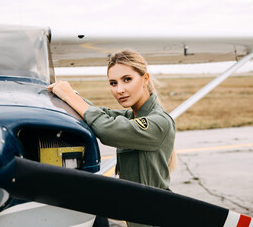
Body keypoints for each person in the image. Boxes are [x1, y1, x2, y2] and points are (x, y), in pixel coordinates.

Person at [48, 49, 176, 227]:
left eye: (127, 79)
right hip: (137, 216)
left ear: (145, 78)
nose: (119, 90)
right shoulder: (131, 116)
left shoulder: (159, 122)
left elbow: (107, 130)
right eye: (113, 83)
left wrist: (69, 95)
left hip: (155, 218)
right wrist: (65, 95)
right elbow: (99, 113)